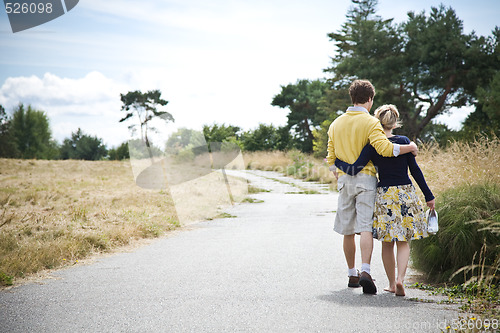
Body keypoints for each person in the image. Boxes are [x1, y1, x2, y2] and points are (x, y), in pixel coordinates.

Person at [326, 80, 418, 295]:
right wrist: (410, 147)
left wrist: (337, 169)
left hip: (344, 180)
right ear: (369, 99)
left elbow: (330, 157)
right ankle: (366, 270)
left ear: (352, 98)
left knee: (347, 230)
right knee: (365, 226)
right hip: (366, 178)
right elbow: (385, 149)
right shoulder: (370, 122)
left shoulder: (335, 123)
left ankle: (352, 273)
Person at [334, 104, 435, 296]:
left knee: (388, 242)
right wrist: (429, 196)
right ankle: (400, 280)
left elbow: (355, 168)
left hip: (385, 195)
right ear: (395, 123)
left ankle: (390, 283)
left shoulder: (373, 145)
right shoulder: (405, 142)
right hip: (406, 192)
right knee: (404, 241)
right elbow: (415, 171)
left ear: (377, 123)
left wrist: (337, 163)